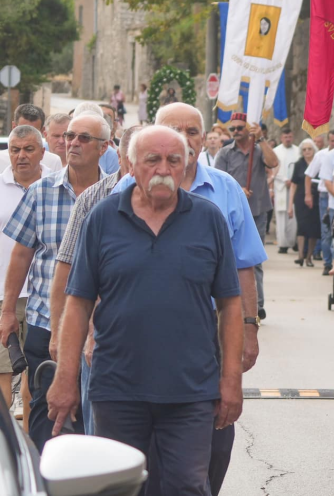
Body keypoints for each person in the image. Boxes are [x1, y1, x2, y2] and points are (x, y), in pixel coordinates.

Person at [47, 126, 243, 493]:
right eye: (153, 160)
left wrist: (231, 380)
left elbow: (231, 304)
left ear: (186, 165)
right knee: (118, 487)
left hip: (191, 392)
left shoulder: (208, 219)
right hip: (116, 390)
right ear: (131, 166)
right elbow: (78, 303)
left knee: (187, 487)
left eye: (174, 160)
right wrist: (65, 376)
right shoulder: (102, 218)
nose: (164, 169)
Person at [0, 112, 109, 449]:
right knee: (45, 411)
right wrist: (6, 312)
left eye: (83, 138)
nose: (72, 143)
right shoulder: (41, 191)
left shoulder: (116, 194)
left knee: (93, 412)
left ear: (104, 147)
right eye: (69, 136)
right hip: (46, 322)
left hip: (100, 328)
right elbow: (21, 255)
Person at [47, 125, 142, 438]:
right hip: (101, 342)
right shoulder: (93, 202)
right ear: (123, 159)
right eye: (138, 159)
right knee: (102, 436)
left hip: (159, 348)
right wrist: (62, 339)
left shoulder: (181, 205)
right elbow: (68, 276)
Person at [214, 112, 278, 321]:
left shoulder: (258, 150)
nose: (235, 132)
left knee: (253, 260)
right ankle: (234, 302)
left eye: (240, 128)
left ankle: (257, 306)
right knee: (231, 259)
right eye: (232, 129)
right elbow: (219, 181)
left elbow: (273, 162)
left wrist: (260, 139)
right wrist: (237, 188)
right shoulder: (224, 153)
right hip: (233, 212)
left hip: (257, 211)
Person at [0, 126, 47, 409]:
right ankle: (5, 447)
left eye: (29, 149)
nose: (21, 156)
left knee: (35, 377)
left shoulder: (55, 188)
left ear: (42, 152)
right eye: (15, 150)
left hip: (43, 294)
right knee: (3, 370)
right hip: (4, 294)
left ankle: (30, 444)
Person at [306, 127, 334, 273]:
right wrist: (308, 194)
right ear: (328, 140)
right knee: (326, 230)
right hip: (325, 195)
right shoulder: (322, 155)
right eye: (332, 140)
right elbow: (309, 175)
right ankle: (327, 262)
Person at [0, 105, 63, 173]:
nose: (21, 156)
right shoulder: (1, 159)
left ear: (42, 130)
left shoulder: (53, 161)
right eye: (23, 131)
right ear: (14, 126)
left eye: (33, 131)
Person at [289, 140, 321, 267]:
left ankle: (309, 257)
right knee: (301, 226)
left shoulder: (319, 163)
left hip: (316, 197)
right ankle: (300, 255)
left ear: (314, 150)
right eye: (304, 149)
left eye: (309, 149)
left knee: (314, 228)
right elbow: (293, 185)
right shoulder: (298, 164)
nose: (307, 151)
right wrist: (289, 204)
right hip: (301, 198)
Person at [272, 128, 300, 254]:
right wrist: (284, 179)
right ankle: (282, 244)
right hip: (281, 186)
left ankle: (293, 241)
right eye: (285, 137)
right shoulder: (275, 151)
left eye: (289, 137)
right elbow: (273, 169)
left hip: (295, 186)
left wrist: (293, 180)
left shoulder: (298, 150)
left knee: (293, 215)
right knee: (281, 215)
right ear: (281, 138)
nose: (288, 139)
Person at [73, 103, 120, 174]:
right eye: (70, 135)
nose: (74, 143)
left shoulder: (111, 155)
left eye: (85, 137)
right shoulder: (64, 147)